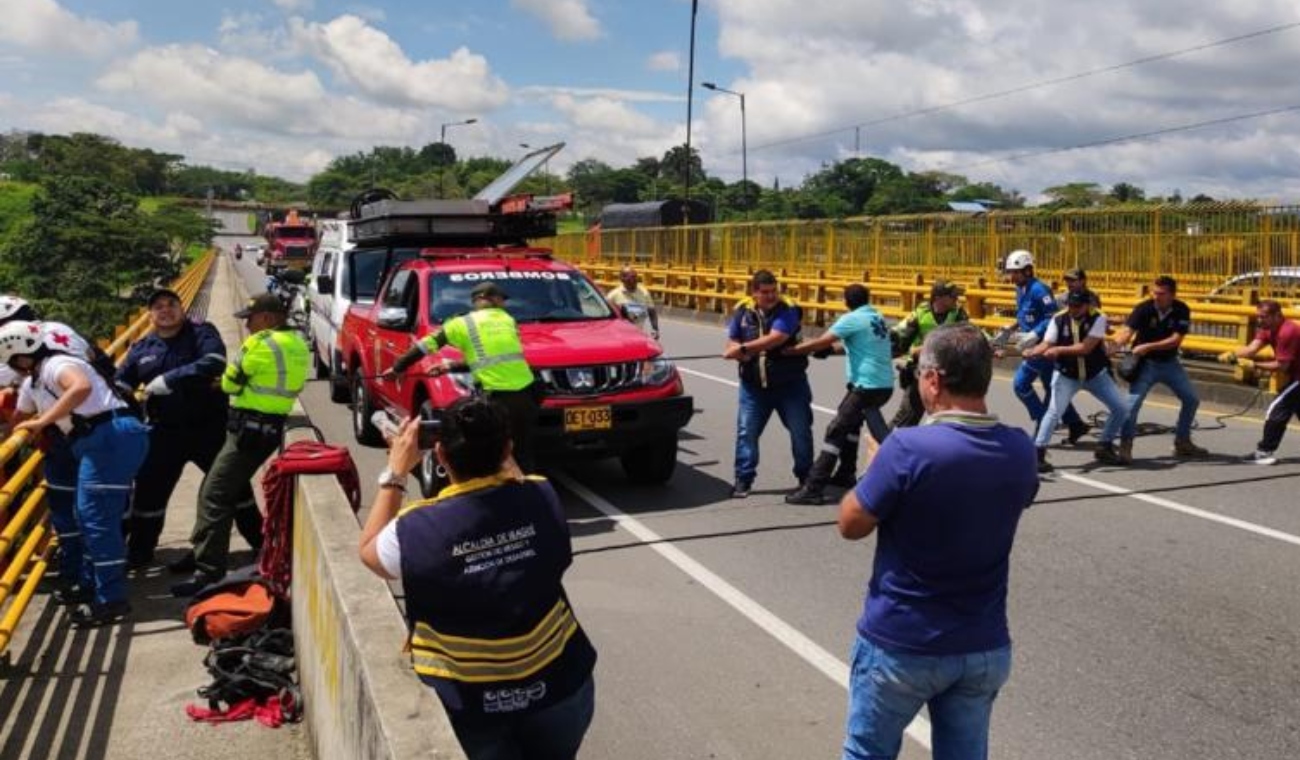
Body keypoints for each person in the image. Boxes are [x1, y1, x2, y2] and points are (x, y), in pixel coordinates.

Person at [837, 323, 1038, 760]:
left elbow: (851, 524)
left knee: (866, 752)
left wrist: (877, 468)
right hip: (982, 644)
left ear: (933, 379)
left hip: (903, 641)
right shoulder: (1021, 449)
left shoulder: (907, 448)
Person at [358, 397, 597, 760]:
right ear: (508, 449)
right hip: (560, 686)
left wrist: (395, 472)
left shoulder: (412, 530)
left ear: (440, 456)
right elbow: (518, 483)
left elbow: (368, 553)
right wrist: (499, 449)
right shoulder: (541, 495)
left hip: (471, 701)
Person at [1, 321, 150, 627]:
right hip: (96, 441)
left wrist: (44, 421)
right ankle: (102, 590)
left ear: (17, 353)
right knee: (89, 518)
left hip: (109, 436)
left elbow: (79, 387)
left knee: (95, 520)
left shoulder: (57, 363)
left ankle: (111, 600)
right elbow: (16, 420)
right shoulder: (35, 382)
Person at [172, 293, 310, 597]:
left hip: (248, 430)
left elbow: (232, 383)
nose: (247, 325)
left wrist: (222, 381)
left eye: (251, 318)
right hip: (269, 427)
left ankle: (208, 572)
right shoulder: (298, 343)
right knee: (216, 486)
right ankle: (201, 551)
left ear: (269, 318)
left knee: (214, 495)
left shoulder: (261, 343)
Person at [116, 288, 254, 570]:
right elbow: (121, 383)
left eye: (171, 304)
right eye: (158, 307)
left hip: (209, 428)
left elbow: (214, 363)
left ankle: (262, 543)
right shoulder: (142, 348)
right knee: (148, 495)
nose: (165, 310)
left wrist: (169, 379)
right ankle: (140, 553)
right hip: (164, 433)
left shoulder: (201, 332)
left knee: (235, 489)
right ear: (150, 314)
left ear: (182, 308)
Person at [386, 281, 540, 473]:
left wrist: (398, 368)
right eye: (501, 299)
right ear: (487, 298)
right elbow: (492, 358)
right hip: (526, 395)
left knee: (493, 456)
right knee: (523, 452)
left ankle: (498, 497)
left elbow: (425, 346)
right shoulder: (508, 320)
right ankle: (530, 494)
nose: (504, 304)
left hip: (495, 398)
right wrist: (450, 365)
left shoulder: (462, 323)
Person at [783, 284, 892, 505]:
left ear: (846, 301)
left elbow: (821, 341)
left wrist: (790, 352)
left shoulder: (851, 319)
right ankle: (846, 473)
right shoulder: (876, 317)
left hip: (866, 386)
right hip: (883, 385)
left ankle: (814, 486)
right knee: (851, 427)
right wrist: (831, 352)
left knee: (835, 430)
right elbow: (856, 347)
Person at [722, 269, 814, 498]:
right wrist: (734, 351)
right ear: (754, 293)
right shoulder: (743, 311)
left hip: (790, 385)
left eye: (774, 291)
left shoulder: (789, 309)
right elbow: (732, 340)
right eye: (765, 292)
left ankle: (806, 479)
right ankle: (743, 480)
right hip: (753, 387)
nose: (771, 296)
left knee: (800, 432)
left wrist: (743, 349)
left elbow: (777, 338)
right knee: (747, 433)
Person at [1025, 290, 1129, 472]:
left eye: (1077, 306)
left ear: (1087, 305)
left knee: (1121, 408)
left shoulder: (1098, 318)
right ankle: (1038, 453)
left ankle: (1104, 445)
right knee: (1053, 412)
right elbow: (1047, 343)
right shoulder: (1058, 319)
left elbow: (1085, 348)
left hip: (1095, 375)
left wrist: (1058, 351)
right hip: (1067, 375)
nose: (1073, 310)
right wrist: (1034, 351)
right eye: (1070, 306)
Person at [1113, 276, 1207, 463]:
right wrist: (1114, 345)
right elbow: (1127, 331)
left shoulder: (1181, 310)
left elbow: (1175, 340)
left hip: (1170, 363)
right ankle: (1126, 445)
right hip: (1145, 365)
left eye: (1161, 294)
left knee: (1191, 400)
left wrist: (1148, 346)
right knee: (1132, 406)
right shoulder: (1143, 308)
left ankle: (1182, 441)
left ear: (1172, 294)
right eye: (1154, 292)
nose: (1156, 296)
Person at [1002, 250, 1090, 445]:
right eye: (1010, 272)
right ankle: (1075, 423)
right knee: (1053, 388)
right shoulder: (1020, 289)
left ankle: (1043, 422)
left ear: (1027, 270)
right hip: (1030, 343)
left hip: (1042, 346)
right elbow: (1025, 314)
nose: (1011, 276)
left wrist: (1035, 334)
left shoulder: (1039, 290)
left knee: (1020, 385)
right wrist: (1012, 328)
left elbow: (1051, 317)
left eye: (1015, 272)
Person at [1219, 299, 1300, 465]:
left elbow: (1282, 366)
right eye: (1258, 317)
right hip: (1296, 374)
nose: (1260, 320)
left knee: (1276, 409)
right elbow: (1252, 349)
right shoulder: (1267, 328)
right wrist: (1233, 355)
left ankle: (1264, 451)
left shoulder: (1288, 332)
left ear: (1277, 316)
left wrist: (1254, 365)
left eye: (1263, 317)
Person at [888, 280, 969, 429]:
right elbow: (901, 339)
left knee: (952, 419)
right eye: (952, 296)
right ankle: (883, 445)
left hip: (947, 372)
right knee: (907, 417)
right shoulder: (920, 313)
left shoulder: (958, 314)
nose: (956, 299)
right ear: (938, 298)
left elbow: (968, 337)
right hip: (921, 372)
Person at [605, 265, 660, 339]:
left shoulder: (644, 292)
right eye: (631, 277)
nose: (635, 280)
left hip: (637, 335)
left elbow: (651, 311)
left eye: (635, 276)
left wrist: (655, 329)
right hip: (619, 336)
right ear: (622, 279)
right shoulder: (613, 295)